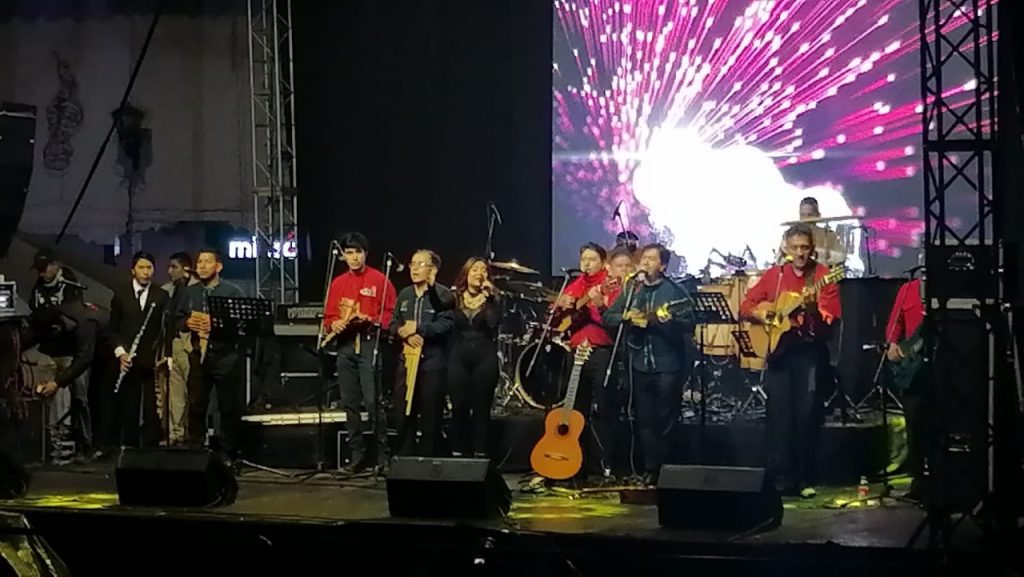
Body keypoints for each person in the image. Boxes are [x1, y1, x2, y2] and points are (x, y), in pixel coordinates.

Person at [742, 223, 841, 498]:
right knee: (778, 415)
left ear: (812, 250)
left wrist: (812, 310)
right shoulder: (776, 275)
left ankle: (804, 477)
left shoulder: (823, 277)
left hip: (808, 353)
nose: (799, 253)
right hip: (779, 353)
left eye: (805, 248)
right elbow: (746, 305)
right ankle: (779, 477)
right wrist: (764, 316)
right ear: (786, 247)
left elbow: (830, 324)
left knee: (807, 415)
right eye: (795, 248)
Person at [604, 243, 693, 484]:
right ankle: (650, 469)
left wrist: (668, 321)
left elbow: (690, 320)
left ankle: (667, 468)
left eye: (652, 259)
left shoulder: (675, 291)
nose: (645, 263)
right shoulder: (633, 288)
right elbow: (608, 316)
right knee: (644, 419)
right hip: (639, 363)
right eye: (644, 258)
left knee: (666, 418)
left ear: (662, 266)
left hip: (668, 365)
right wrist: (627, 316)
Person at [323, 232, 397, 475]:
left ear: (366, 253)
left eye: (358, 252)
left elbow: (391, 315)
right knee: (349, 403)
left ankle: (383, 457)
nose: (354, 257)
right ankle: (357, 456)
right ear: (343, 256)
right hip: (345, 347)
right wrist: (333, 324)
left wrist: (373, 320)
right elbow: (328, 317)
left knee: (373, 402)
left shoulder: (380, 280)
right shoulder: (337, 283)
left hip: (368, 344)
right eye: (350, 253)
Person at [552, 242, 622, 476]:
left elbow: (613, 322)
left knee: (603, 408)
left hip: (601, 353)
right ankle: (574, 461)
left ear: (603, 262)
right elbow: (555, 319)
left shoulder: (611, 284)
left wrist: (596, 306)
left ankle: (602, 464)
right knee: (575, 409)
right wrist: (560, 306)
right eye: (584, 259)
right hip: (576, 352)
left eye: (592, 259)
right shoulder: (576, 284)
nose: (587, 264)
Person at [175, 249, 245, 463]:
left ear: (219, 266)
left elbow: (242, 323)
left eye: (207, 262)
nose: (202, 266)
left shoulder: (232, 291)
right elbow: (176, 318)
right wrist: (187, 323)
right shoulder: (189, 292)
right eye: (199, 262)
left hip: (226, 356)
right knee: (196, 404)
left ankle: (227, 453)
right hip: (198, 355)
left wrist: (216, 324)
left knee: (227, 407)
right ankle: (195, 449)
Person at [21, 281, 99, 464]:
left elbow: (83, 360)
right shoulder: (52, 317)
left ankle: (86, 445)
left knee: (81, 397)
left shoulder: (86, 323)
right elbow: (33, 338)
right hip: (64, 353)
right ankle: (51, 439)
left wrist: (58, 382)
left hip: (91, 353)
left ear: (57, 329)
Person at [390, 250, 454, 458]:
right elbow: (393, 323)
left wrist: (419, 328)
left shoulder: (443, 295)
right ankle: (405, 457)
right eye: (412, 264)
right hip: (406, 361)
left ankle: (429, 461)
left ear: (433, 270)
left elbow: (447, 324)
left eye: (421, 264)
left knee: (431, 414)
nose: (415, 269)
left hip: (432, 363)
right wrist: (403, 334)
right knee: (403, 410)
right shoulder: (405, 294)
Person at [109, 252, 170, 448]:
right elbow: (112, 329)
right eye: (142, 268)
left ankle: (151, 446)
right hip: (126, 359)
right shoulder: (121, 294)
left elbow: (165, 329)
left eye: (149, 268)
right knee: (129, 406)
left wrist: (164, 354)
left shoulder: (161, 296)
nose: (146, 272)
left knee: (152, 407)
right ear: (133, 270)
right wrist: (120, 352)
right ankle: (129, 446)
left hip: (150, 358)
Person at [447, 257, 502, 458]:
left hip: (484, 357)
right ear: (466, 273)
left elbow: (494, 323)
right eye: (475, 270)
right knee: (459, 405)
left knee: (481, 407)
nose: (479, 273)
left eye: (483, 270)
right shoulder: (454, 297)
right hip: (458, 356)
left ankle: (480, 453)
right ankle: (458, 452)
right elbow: (439, 309)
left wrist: (490, 298)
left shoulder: (493, 298)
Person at [884, 274, 926, 500]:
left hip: (944, 366)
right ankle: (918, 481)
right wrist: (892, 344)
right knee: (915, 426)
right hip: (914, 369)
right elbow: (894, 322)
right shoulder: (909, 289)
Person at [161, 252, 198, 445]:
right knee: (175, 391)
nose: (169, 271)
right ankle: (176, 432)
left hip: (188, 343)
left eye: (174, 267)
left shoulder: (195, 289)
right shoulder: (170, 290)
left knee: (191, 390)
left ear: (185, 268)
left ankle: (191, 432)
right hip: (174, 343)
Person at [776, 197, 847, 266]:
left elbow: (841, 257)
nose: (806, 219)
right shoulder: (789, 235)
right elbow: (780, 259)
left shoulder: (829, 235)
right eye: (802, 215)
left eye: (809, 215)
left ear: (818, 215)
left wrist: (820, 254)